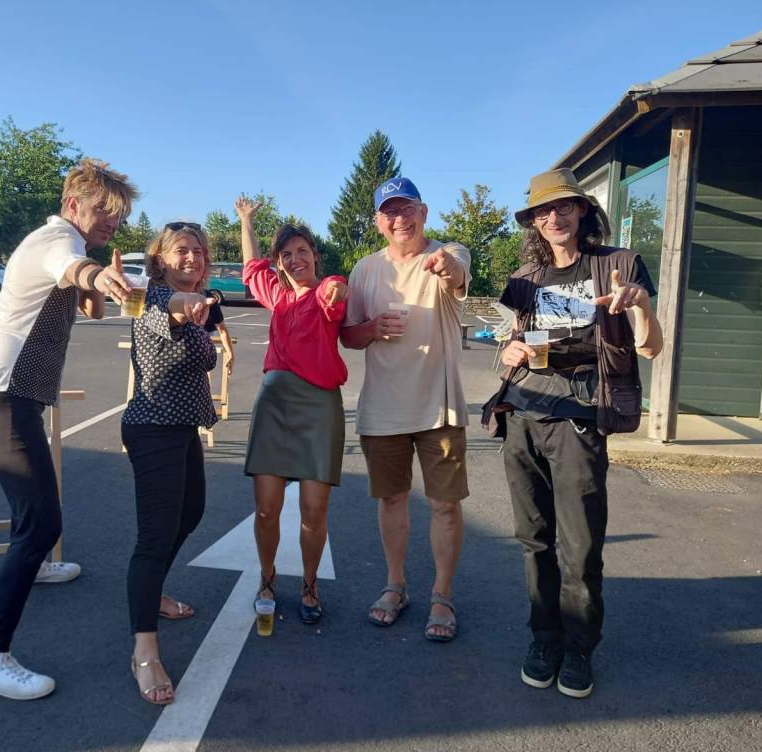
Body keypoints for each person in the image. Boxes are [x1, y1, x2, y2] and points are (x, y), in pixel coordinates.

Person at [0, 158, 138, 701]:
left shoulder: (71, 244)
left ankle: (33, 566)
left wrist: (98, 280)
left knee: (32, 511)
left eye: (118, 214)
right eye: (103, 210)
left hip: (14, 398)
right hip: (5, 399)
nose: (112, 221)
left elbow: (91, 305)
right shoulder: (55, 241)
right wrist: (95, 275)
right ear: (72, 205)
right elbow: (73, 269)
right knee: (42, 522)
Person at [488, 168, 662, 699]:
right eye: (543, 211)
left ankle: (580, 647)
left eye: (563, 206)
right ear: (534, 222)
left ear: (582, 210)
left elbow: (651, 347)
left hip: (579, 418)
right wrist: (508, 350)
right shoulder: (524, 278)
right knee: (533, 540)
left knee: (581, 545)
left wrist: (639, 304)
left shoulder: (617, 265)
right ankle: (544, 640)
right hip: (522, 414)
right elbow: (506, 343)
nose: (554, 217)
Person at [341, 176, 471, 642]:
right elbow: (349, 335)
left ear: (424, 212)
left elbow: (456, 271)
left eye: (407, 208)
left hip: (439, 407)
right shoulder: (365, 270)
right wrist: (373, 327)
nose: (400, 219)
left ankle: (442, 594)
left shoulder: (448, 253)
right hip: (383, 408)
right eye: (390, 211)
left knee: (445, 505)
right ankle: (395, 585)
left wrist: (446, 266)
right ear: (378, 222)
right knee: (392, 500)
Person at [235, 196, 349, 626]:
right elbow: (251, 267)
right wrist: (245, 220)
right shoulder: (277, 296)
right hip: (275, 405)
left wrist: (336, 290)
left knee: (314, 511)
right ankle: (267, 579)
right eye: (286, 255)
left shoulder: (326, 289)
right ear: (280, 263)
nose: (295, 259)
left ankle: (309, 584)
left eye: (302, 251)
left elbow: (336, 293)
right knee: (266, 508)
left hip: (319, 407)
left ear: (314, 256)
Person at [122, 222, 217, 706]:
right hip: (153, 429)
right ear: (160, 259)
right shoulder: (153, 298)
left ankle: (153, 590)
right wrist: (188, 305)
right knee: (154, 538)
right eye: (182, 250)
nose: (192, 258)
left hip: (180, 429)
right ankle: (144, 652)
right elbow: (170, 309)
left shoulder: (195, 303)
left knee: (190, 513)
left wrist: (198, 306)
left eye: (198, 251)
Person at [202, 298, 234, 377]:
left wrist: (230, 355)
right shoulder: (177, 296)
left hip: (207, 332)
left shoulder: (210, 299)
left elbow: (222, 330)